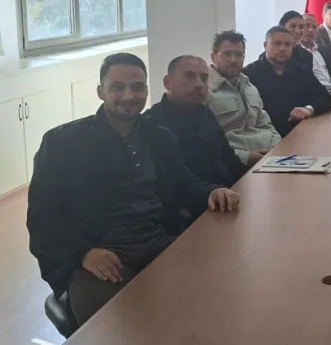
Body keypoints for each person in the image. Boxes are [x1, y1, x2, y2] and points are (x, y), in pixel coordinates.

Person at [27, 53, 240, 326]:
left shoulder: (159, 137)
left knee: (216, 302)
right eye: (117, 87)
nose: (128, 95)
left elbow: (183, 185)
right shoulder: (62, 143)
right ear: (100, 91)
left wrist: (212, 191)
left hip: (158, 244)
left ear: (147, 91)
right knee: (126, 328)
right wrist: (83, 252)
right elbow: (42, 219)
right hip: (99, 256)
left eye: (137, 87)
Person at [143, 55, 247, 188]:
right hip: (195, 197)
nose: (199, 84)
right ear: (167, 82)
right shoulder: (152, 123)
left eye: (204, 78)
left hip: (229, 193)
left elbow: (230, 159)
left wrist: (250, 183)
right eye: (190, 76)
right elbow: (173, 184)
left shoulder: (205, 113)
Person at [206, 30, 282, 166]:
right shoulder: (204, 90)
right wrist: (245, 157)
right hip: (231, 164)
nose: (234, 60)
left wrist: (278, 148)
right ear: (213, 57)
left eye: (238, 54)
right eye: (227, 54)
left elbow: (266, 125)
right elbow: (205, 140)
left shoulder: (250, 88)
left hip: (267, 160)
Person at [244, 26, 331, 137]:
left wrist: (308, 109)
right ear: (265, 45)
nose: (282, 48)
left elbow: (325, 98)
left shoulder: (301, 70)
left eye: (287, 44)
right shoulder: (249, 74)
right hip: (267, 136)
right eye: (277, 43)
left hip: (301, 131)